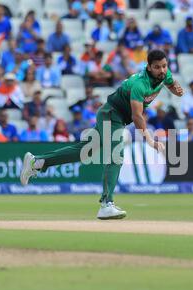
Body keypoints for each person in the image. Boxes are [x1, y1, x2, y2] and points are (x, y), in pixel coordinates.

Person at [20, 50, 184, 219]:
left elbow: (171, 82)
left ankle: (37, 162)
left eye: (164, 66)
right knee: (116, 155)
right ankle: (107, 204)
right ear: (148, 67)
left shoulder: (164, 74)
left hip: (115, 116)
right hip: (112, 114)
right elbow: (137, 116)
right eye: (157, 67)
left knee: (83, 152)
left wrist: (175, 89)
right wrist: (150, 140)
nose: (162, 70)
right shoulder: (139, 84)